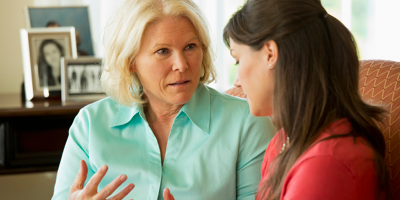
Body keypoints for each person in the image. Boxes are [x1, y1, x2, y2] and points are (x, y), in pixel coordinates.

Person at [52, 0, 276, 199]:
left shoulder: (247, 121)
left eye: (190, 47)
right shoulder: (90, 124)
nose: (181, 64)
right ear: (130, 61)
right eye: (163, 51)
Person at [222, 0, 390, 199]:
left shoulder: (328, 163)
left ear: (270, 54)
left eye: (238, 60)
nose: (237, 82)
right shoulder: (282, 142)